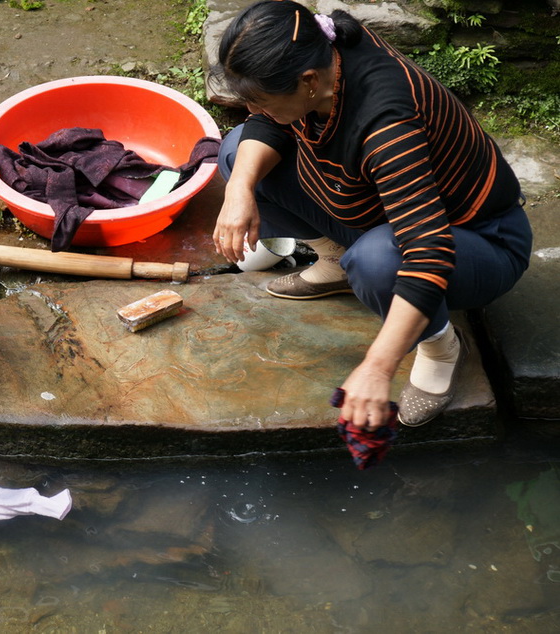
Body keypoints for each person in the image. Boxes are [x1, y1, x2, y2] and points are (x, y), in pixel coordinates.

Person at [212, 1, 531, 430]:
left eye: (262, 101)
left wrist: (377, 366)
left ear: (308, 83)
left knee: (379, 260)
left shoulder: (387, 123)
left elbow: (428, 253)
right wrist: (237, 191)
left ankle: (441, 346)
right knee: (238, 154)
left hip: (478, 241)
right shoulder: (323, 56)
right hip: (381, 207)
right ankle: (333, 261)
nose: (255, 111)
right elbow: (269, 126)